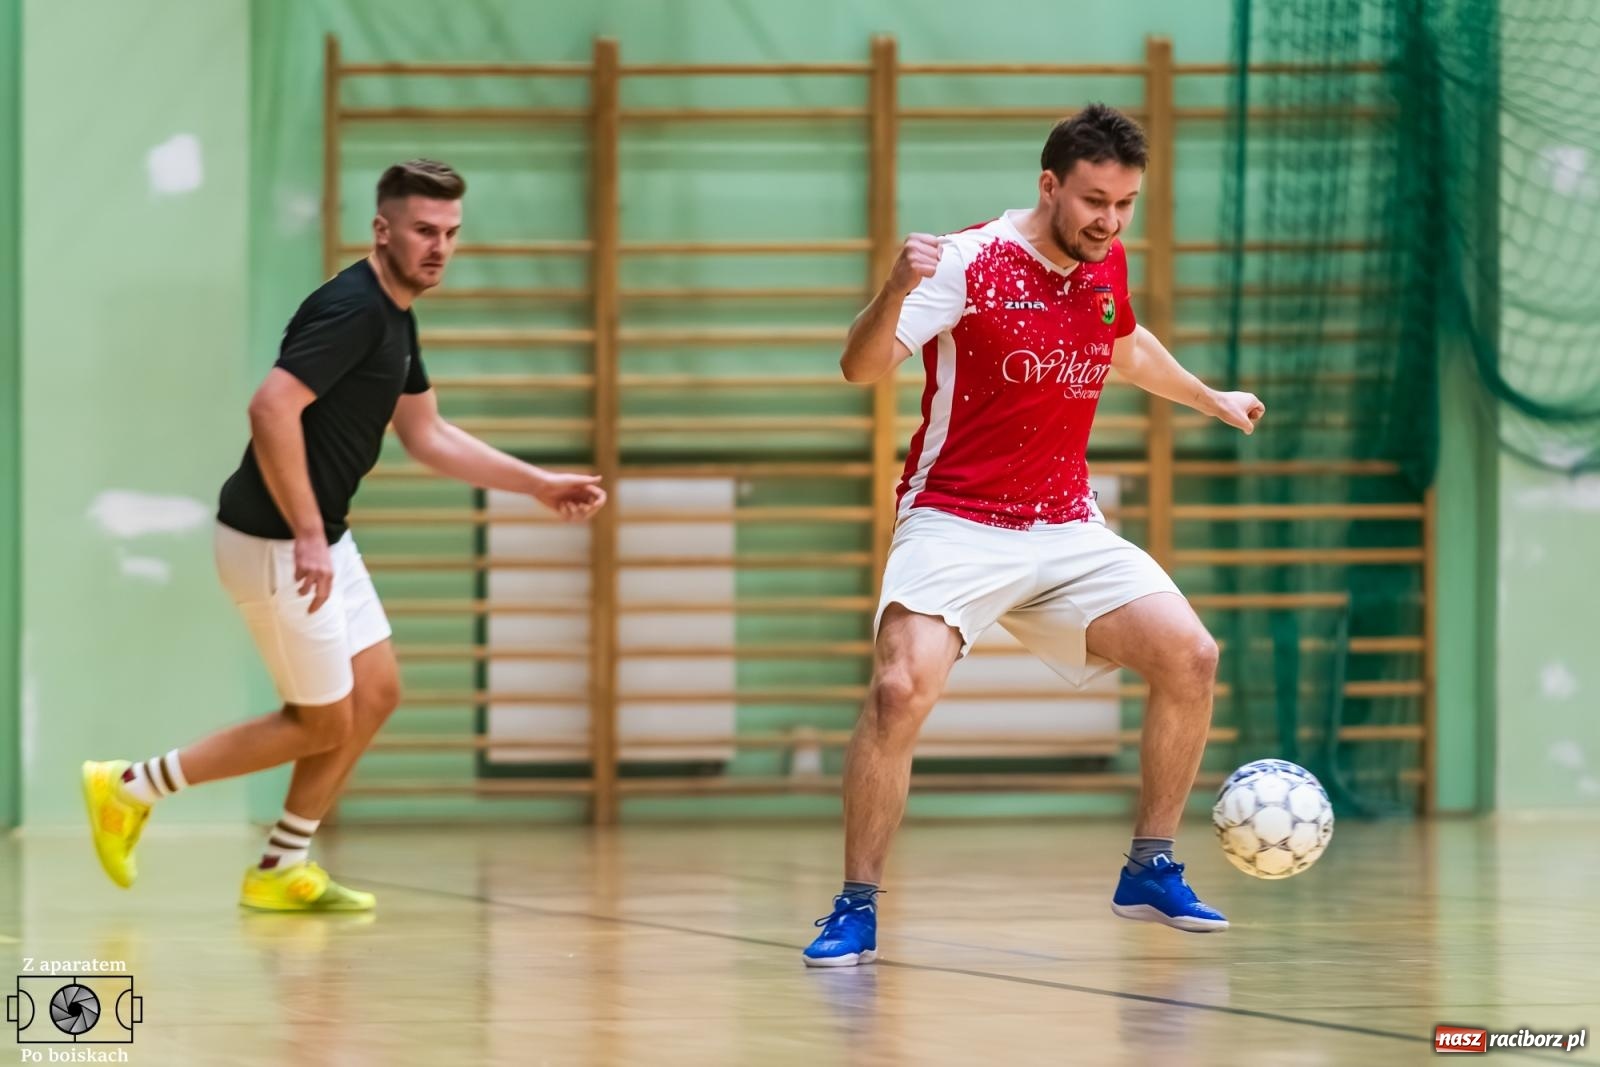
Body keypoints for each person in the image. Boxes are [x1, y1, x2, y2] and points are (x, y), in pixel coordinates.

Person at [802, 104, 1266, 966]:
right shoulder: (968, 261)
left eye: (1125, 204)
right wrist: (895, 288)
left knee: (1192, 656)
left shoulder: (1104, 261)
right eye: (1094, 201)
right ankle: (855, 906)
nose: (1110, 222)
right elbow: (859, 366)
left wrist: (1212, 399)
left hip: (1064, 524)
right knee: (899, 690)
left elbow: (1124, 345)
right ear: (1049, 184)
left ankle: (1149, 866)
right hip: (955, 521)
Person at [82, 159, 607, 911]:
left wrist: (538, 483)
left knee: (376, 692)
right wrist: (304, 533)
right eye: (424, 230)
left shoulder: (396, 315)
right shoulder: (354, 308)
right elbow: (271, 407)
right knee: (320, 720)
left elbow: (427, 434)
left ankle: (281, 863)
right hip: (275, 541)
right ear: (382, 230)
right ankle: (129, 787)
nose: (439, 247)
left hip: (319, 537)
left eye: (451, 232)